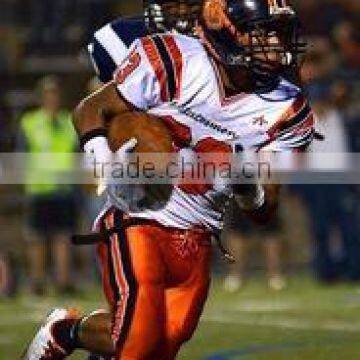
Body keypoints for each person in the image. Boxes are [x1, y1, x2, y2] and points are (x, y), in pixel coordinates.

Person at [23, 1, 315, 359]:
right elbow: (90, 109)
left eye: (281, 33)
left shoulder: (288, 107)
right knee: (137, 343)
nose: (276, 45)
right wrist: (106, 166)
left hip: (198, 233)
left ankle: (64, 332)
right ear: (227, 30)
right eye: (264, 32)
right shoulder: (176, 58)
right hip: (140, 217)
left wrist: (246, 184)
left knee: (159, 342)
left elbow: (265, 207)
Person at [18, 76, 78, 295]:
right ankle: (37, 281)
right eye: (47, 94)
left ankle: (63, 281)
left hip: (63, 189)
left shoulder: (69, 121)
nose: (51, 98)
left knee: (63, 236)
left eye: (54, 93)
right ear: (41, 97)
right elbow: (21, 155)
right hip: (38, 189)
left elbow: (77, 154)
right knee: (37, 239)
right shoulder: (30, 122)